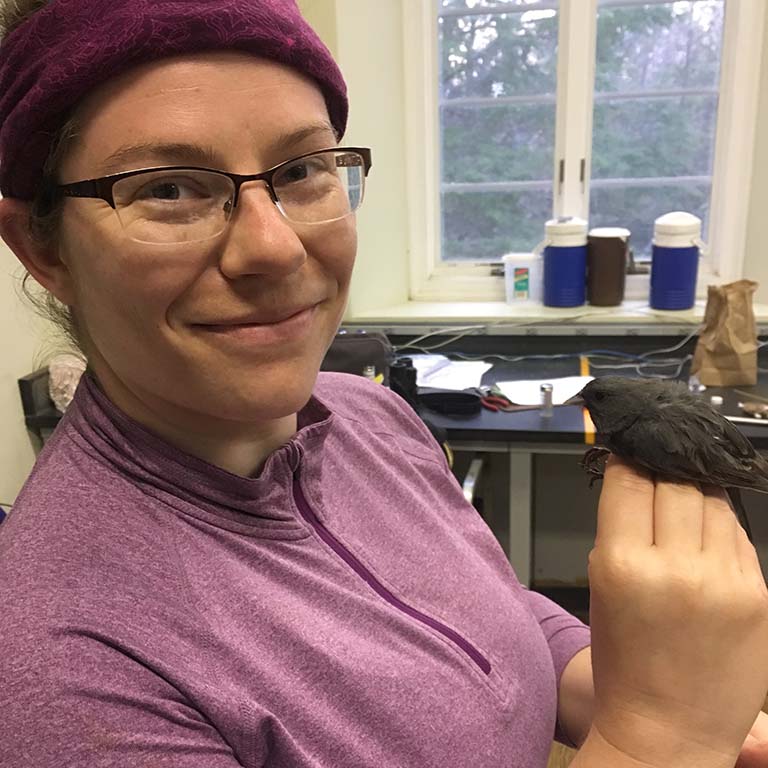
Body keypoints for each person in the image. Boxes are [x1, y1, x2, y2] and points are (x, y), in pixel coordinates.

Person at [0, 1, 766, 766]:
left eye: (301, 170)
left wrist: (651, 692)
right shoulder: (60, 666)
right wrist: (661, 736)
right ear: (42, 246)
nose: (274, 246)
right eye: (169, 189)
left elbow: (490, 620)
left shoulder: (372, 414)